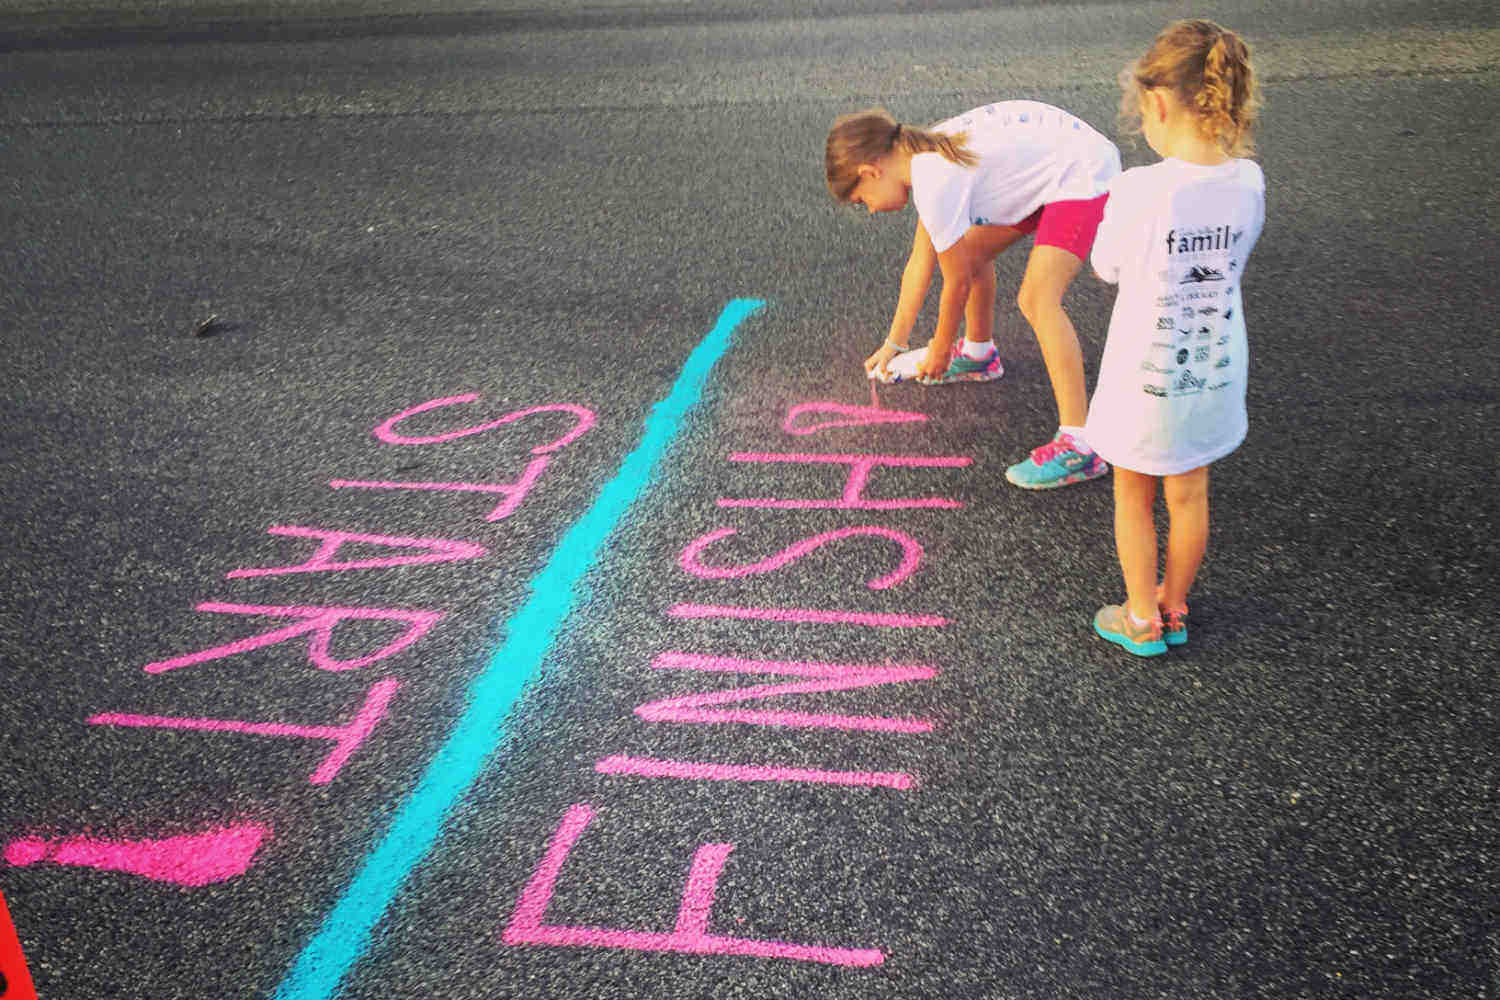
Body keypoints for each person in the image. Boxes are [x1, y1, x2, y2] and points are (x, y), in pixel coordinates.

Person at [825, 100, 1121, 489]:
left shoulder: (933, 178)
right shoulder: (920, 155)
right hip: (1047, 170)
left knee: (1037, 299)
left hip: (1081, 174)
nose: (871, 210)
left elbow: (957, 281)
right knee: (974, 251)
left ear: (870, 171)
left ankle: (1080, 444)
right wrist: (893, 342)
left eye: (862, 201)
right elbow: (920, 263)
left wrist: (940, 350)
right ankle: (980, 354)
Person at [1086, 19, 1264, 656]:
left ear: (1157, 104)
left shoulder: (1141, 189)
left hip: (1146, 374)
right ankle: (1175, 605)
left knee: (1132, 492)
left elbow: (1105, 266)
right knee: (1190, 494)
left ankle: (1139, 617)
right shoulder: (1249, 180)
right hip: (1213, 367)